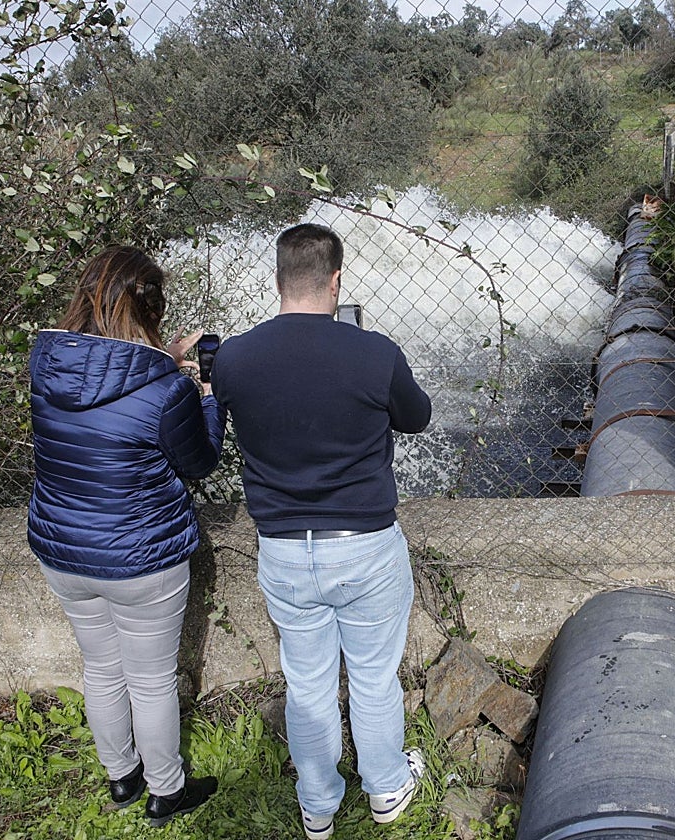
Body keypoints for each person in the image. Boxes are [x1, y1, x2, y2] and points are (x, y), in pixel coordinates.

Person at [210, 223, 432, 840]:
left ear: (278, 280)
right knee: (372, 675)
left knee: (306, 683)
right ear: (336, 281)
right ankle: (387, 788)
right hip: (363, 545)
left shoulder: (233, 357)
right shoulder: (374, 353)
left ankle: (317, 803)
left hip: (282, 549)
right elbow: (417, 418)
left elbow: (218, 414)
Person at [27, 245, 224, 828]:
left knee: (102, 670)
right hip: (141, 559)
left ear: (88, 293)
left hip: (63, 551)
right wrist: (205, 397)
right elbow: (199, 462)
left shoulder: (46, 364)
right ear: (153, 307)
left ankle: (121, 778)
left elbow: (102, 387)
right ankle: (166, 790)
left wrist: (162, 359)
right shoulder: (165, 389)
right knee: (150, 678)